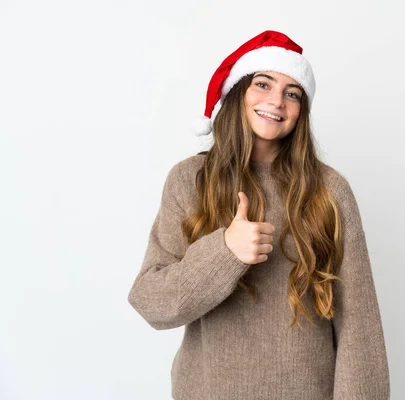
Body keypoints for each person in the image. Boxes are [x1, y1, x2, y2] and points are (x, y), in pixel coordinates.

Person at [127, 30, 390, 400]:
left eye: (292, 93)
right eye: (263, 84)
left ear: (302, 111)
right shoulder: (188, 180)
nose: (277, 101)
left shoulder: (330, 191)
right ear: (238, 93)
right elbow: (152, 303)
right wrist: (224, 252)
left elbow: (359, 328)